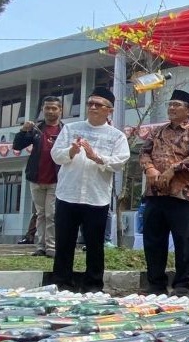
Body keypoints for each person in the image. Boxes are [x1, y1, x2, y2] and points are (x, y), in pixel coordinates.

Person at [50, 86, 130, 292]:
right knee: (64, 242)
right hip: (68, 193)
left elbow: (120, 161)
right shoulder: (70, 129)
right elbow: (55, 155)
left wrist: (95, 156)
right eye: (90, 103)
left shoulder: (116, 136)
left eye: (98, 104)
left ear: (109, 110)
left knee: (95, 244)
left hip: (97, 196)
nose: (93, 107)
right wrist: (72, 150)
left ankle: (93, 284)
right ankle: (61, 283)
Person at [140, 89, 189, 295]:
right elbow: (144, 152)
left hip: (182, 194)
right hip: (155, 193)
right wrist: (150, 168)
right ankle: (156, 284)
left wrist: (173, 169)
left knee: (184, 241)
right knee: (153, 240)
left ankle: (181, 284)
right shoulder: (157, 131)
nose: (171, 108)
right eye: (170, 104)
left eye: (176, 105)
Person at [13, 96, 64, 258]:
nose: (50, 111)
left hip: (56, 179)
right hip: (36, 178)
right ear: (43, 109)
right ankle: (40, 246)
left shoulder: (65, 130)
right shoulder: (36, 129)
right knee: (40, 214)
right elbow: (17, 146)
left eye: (54, 108)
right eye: (47, 108)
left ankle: (52, 247)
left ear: (60, 110)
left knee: (52, 214)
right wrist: (23, 130)